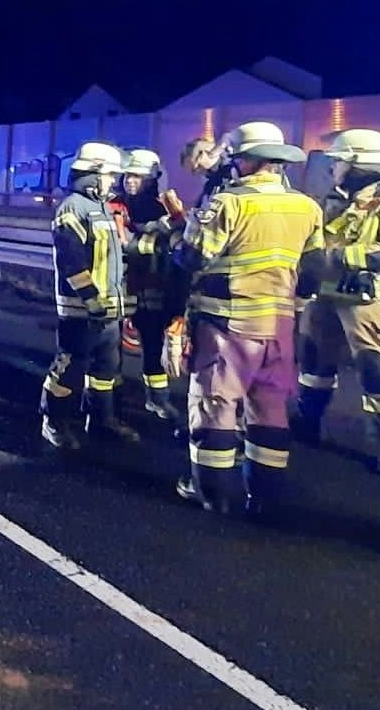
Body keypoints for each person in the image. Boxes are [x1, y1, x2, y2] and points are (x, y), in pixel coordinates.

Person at [175, 121, 325, 516]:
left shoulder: (229, 203)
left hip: (227, 327)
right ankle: (264, 496)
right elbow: (314, 271)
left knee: (216, 404)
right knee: (270, 408)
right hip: (279, 327)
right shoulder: (307, 206)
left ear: (243, 160)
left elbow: (192, 259)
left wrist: (177, 238)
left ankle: (211, 492)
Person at [295, 129, 380, 475]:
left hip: (365, 304)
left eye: (338, 161)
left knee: (377, 371)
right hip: (324, 298)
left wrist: (342, 257)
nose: (333, 168)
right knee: (313, 362)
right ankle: (307, 423)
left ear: (357, 164)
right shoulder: (334, 198)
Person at [40, 142, 141, 450]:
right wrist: (91, 299)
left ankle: (101, 420)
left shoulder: (102, 209)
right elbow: (71, 261)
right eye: (109, 175)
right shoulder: (73, 208)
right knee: (69, 370)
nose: (113, 181)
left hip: (108, 312)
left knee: (105, 372)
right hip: (81, 311)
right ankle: (54, 422)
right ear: (93, 175)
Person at [116, 148, 181, 422]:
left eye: (137, 177)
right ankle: (111, 399)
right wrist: (153, 236)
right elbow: (123, 246)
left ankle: (158, 399)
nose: (130, 181)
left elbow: (180, 244)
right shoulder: (116, 206)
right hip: (120, 287)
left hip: (154, 288)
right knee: (111, 348)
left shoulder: (163, 208)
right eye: (127, 176)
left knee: (154, 344)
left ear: (152, 179)